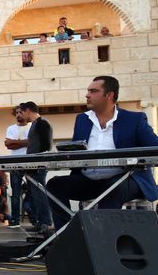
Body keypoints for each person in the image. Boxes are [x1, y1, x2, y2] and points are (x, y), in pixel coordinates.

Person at [47, 76, 158, 229]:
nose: (87, 95)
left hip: (126, 179)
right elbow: (76, 151)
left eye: (93, 91)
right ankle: (67, 234)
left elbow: (154, 148)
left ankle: (104, 237)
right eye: (88, 91)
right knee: (54, 185)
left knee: (112, 189)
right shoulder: (82, 119)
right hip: (89, 180)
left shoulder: (134, 119)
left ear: (109, 95)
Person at [19, 101, 53, 233]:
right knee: (34, 195)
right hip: (33, 164)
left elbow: (46, 145)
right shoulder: (35, 124)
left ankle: (46, 222)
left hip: (38, 165)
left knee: (40, 194)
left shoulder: (41, 123)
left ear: (28, 110)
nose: (21, 115)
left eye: (22, 112)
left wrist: (38, 162)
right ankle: (40, 221)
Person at [4, 106, 30, 227]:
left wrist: (15, 142)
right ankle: (15, 219)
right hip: (15, 162)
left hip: (30, 162)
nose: (18, 114)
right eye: (17, 113)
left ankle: (34, 217)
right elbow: (8, 144)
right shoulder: (11, 128)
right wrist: (25, 142)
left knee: (33, 190)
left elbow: (32, 142)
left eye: (21, 112)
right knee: (15, 193)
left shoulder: (31, 127)